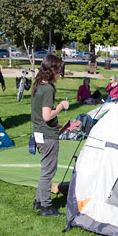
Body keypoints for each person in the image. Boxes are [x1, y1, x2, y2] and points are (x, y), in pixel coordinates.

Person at [31, 55, 69, 216]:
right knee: (48, 172)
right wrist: (61, 106)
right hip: (48, 137)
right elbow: (47, 115)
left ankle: (38, 201)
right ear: (52, 70)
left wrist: (57, 125)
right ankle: (46, 206)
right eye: (59, 71)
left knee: (44, 170)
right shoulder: (48, 89)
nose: (61, 74)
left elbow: (41, 116)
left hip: (39, 133)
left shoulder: (38, 85)